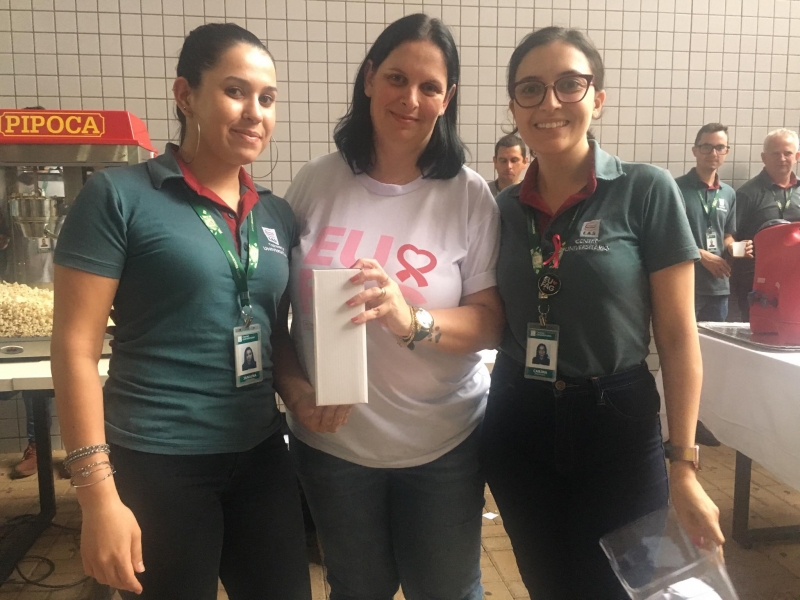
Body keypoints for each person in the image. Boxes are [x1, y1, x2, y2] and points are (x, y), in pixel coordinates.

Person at [51, 23, 311, 600]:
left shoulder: (275, 214)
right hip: (157, 461)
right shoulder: (120, 196)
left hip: (259, 453)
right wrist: (97, 496)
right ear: (185, 95)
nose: (255, 112)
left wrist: (300, 397)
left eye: (268, 98)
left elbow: (275, 335)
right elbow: (74, 350)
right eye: (235, 91)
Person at [480, 26, 724, 600]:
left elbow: (677, 337)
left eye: (570, 84)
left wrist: (684, 466)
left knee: (624, 588)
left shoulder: (645, 190)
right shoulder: (502, 209)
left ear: (598, 99)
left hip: (617, 422)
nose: (550, 103)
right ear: (514, 107)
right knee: (548, 584)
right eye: (531, 89)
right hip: (520, 414)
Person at [274, 13, 503, 600]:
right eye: (397, 78)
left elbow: (489, 321)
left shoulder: (469, 195)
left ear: (448, 99)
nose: (411, 99)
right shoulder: (316, 182)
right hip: (334, 448)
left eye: (430, 87)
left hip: (442, 444)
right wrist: (295, 391)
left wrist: (412, 319)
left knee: (447, 590)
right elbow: (274, 315)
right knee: (356, 589)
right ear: (370, 78)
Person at [731, 128, 800, 322]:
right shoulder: (747, 194)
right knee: (760, 333)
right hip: (756, 286)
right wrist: (739, 250)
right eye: (775, 153)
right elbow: (729, 238)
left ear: (797, 156)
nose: (782, 158)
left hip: (795, 281)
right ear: (763, 157)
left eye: (787, 153)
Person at [488, 133, 529, 198]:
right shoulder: (482, 194)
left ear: (524, 162)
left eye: (514, 160)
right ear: (495, 162)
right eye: (503, 161)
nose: (508, 166)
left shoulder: (531, 197)